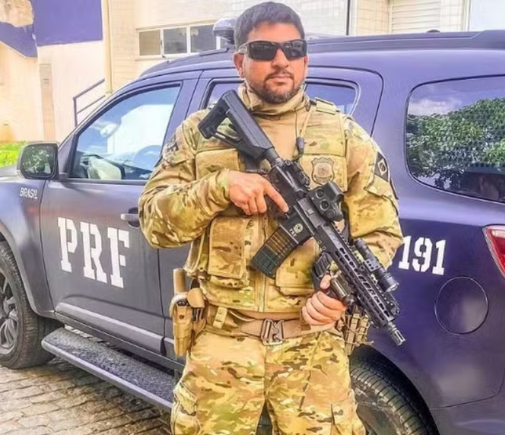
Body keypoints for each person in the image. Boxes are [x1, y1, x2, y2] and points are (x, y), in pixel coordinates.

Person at [137, 2, 403, 434]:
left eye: (293, 49)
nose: (281, 60)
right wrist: (218, 187)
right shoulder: (200, 134)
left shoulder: (344, 136)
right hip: (222, 344)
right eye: (264, 50)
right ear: (239, 61)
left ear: (305, 60)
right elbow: (153, 222)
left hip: (312, 347)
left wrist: (337, 291)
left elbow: (382, 231)